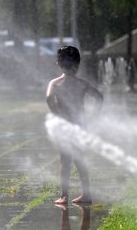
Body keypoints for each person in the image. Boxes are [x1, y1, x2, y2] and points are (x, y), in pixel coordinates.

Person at [46, 46, 103, 204]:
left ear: (58, 63)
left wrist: (57, 115)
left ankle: (64, 196)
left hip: (65, 126)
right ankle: (86, 194)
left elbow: (49, 99)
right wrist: (92, 117)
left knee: (65, 161)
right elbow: (99, 98)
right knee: (79, 159)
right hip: (79, 125)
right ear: (78, 63)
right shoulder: (82, 83)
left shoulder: (55, 83)